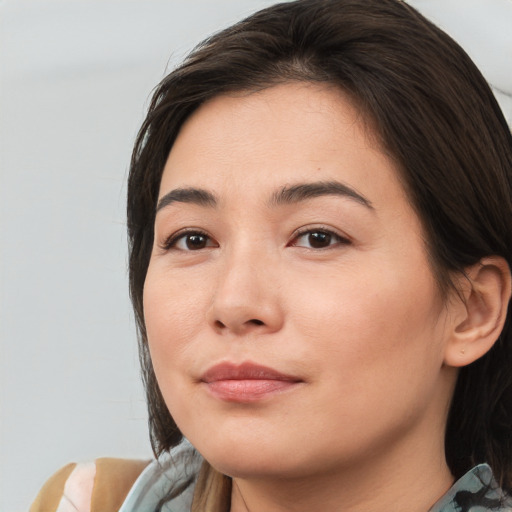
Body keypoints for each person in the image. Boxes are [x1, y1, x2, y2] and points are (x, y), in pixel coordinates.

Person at [31, 0, 512, 510]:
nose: (235, 303)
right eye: (194, 239)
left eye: (318, 238)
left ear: (473, 309)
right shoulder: (83, 501)